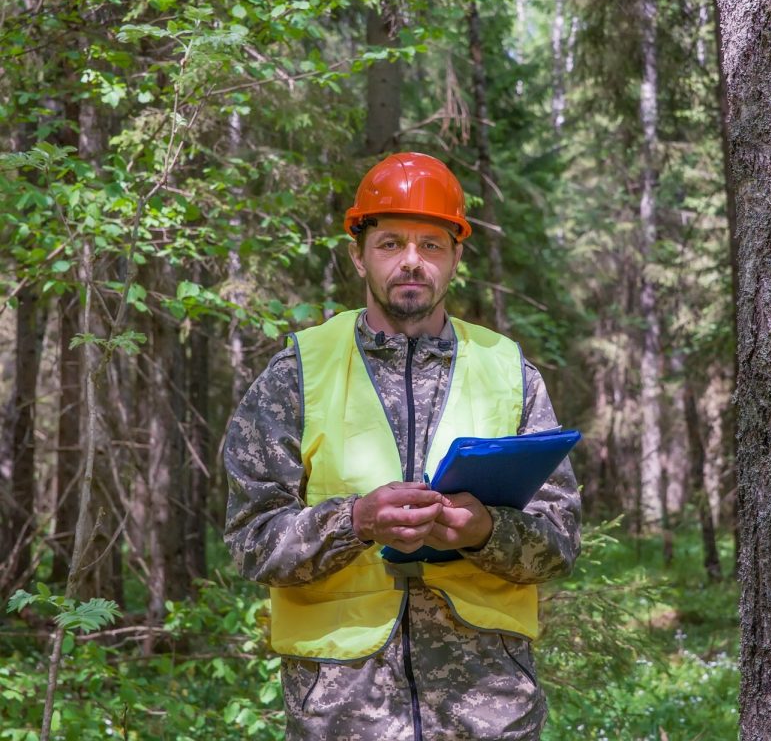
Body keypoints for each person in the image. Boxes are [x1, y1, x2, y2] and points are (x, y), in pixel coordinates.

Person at [223, 152, 581, 741]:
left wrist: (484, 532)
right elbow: (249, 542)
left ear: (456, 257)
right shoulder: (298, 373)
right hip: (341, 710)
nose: (412, 262)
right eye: (391, 243)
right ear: (358, 254)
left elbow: (560, 540)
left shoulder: (508, 371)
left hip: (488, 706)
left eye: (431, 245)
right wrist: (354, 522)